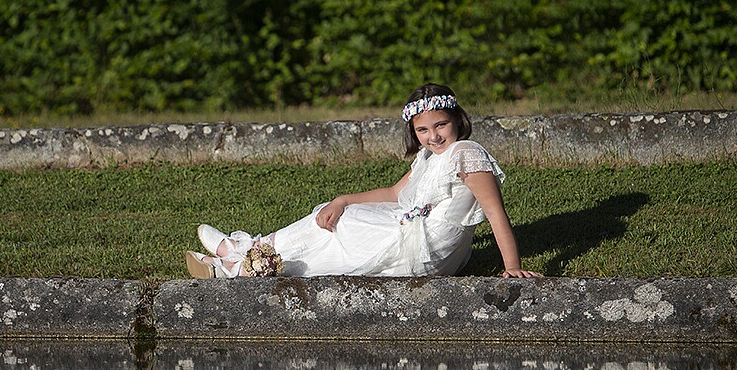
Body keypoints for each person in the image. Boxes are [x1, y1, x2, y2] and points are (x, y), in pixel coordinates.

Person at [185, 83, 541, 279]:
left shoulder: (466, 153)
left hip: (431, 247)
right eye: (422, 130)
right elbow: (393, 193)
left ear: (456, 120)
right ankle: (243, 264)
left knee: (347, 226)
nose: (433, 136)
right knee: (335, 216)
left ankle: (244, 253)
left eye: (440, 125)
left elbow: (496, 213)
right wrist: (342, 199)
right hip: (413, 230)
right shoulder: (429, 157)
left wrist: (511, 267)